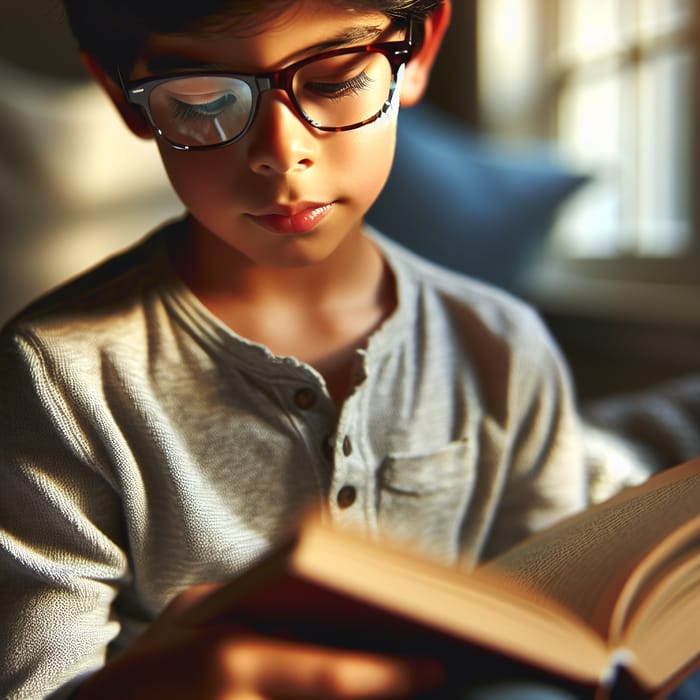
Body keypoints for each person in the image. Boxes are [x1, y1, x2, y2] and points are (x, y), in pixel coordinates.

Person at [0, 1, 591, 697]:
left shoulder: (503, 347)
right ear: (123, 97)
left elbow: (559, 624)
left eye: (337, 81)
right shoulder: (57, 376)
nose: (282, 153)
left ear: (420, 52)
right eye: (204, 99)